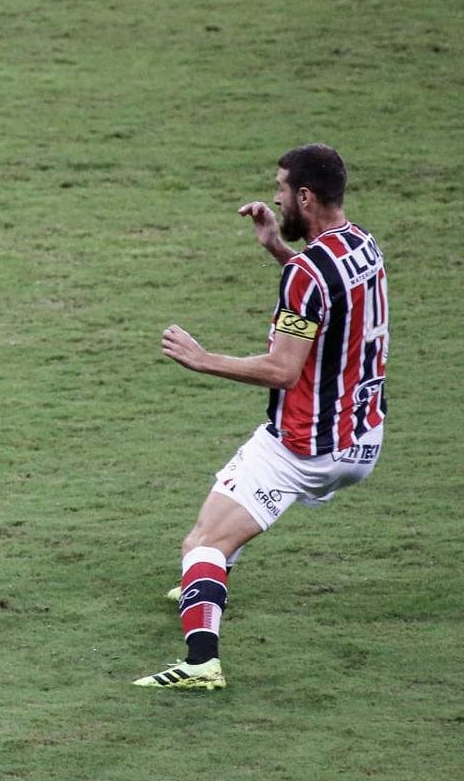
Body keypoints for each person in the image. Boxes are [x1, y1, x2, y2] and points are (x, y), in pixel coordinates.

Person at [134, 144, 388, 690]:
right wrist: (278, 247)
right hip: (362, 437)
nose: (274, 197)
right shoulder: (361, 246)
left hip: (306, 445)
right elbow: (327, 299)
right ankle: (206, 582)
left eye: (280, 189)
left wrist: (203, 360)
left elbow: (282, 370)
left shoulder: (305, 275)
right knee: (222, 513)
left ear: (304, 196)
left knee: (201, 543)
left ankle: (201, 663)